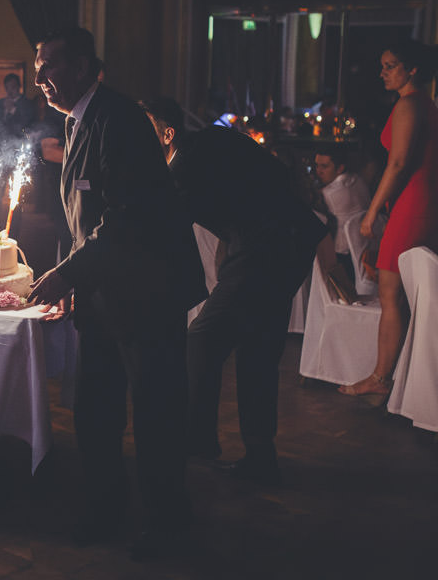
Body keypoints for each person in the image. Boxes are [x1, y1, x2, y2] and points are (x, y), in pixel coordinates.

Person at [27, 29, 206, 558]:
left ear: (83, 65)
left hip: (148, 291)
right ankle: (105, 509)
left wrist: (68, 273)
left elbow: (127, 217)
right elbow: (84, 217)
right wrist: (78, 279)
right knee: (95, 409)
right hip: (104, 291)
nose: (39, 77)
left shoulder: (120, 119)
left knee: (156, 414)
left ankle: (168, 525)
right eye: (36, 67)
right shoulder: (78, 120)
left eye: (49, 65)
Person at [142, 97, 326, 486]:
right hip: (290, 240)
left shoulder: (181, 169)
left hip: (267, 249)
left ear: (167, 133)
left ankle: (198, 442)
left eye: (143, 131)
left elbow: (161, 233)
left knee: (202, 338)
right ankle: (261, 458)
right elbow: (277, 172)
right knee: (257, 349)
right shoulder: (213, 138)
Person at [340, 39, 438, 397]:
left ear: (412, 69)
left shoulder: (409, 104)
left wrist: (370, 213)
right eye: (382, 66)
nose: (382, 73)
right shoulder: (424, 104)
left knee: (390, 293)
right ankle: (394, 378)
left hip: (412, 205)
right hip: (418, 203)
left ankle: (381, 379)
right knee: (401, 294)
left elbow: (397, 164)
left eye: (390, 66)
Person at [314, 149, 371, 281]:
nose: (318, 171)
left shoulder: (329, 193)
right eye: (317, 165)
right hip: (367, 246)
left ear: (340, 168)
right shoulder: (358, 180)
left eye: (324, 166)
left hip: (343, 255)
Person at [0, 73, 34, 144]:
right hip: (1, 143)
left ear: (19, 86)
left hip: (20, 142)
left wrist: (12, 110)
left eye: (13, 87)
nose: (10, 90)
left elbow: (27, 125)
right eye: (7, 87)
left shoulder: (28, 103)